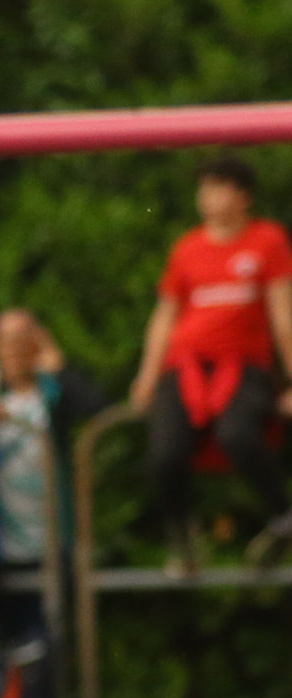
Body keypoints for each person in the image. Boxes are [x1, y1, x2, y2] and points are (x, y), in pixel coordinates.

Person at [128, 157, 292, 571]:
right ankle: (182, 537)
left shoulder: (267, 240)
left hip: (244, 365)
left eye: (217, 188)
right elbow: (165, 315)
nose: (207, 198)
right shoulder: (188, 248)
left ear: (243, 196)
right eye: (204, 190)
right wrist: (147, 376)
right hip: (186, 367)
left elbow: (282, 314)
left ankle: (284, 517)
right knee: (165, 454)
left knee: (239, 434)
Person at [0, 308, 106, 698]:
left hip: (51, 537)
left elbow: (96, 406)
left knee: (51, 638)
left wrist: (57, 362)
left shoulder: (52, 390)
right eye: (6, 341)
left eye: (23, 340)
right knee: (9, 638)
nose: (14, 350)